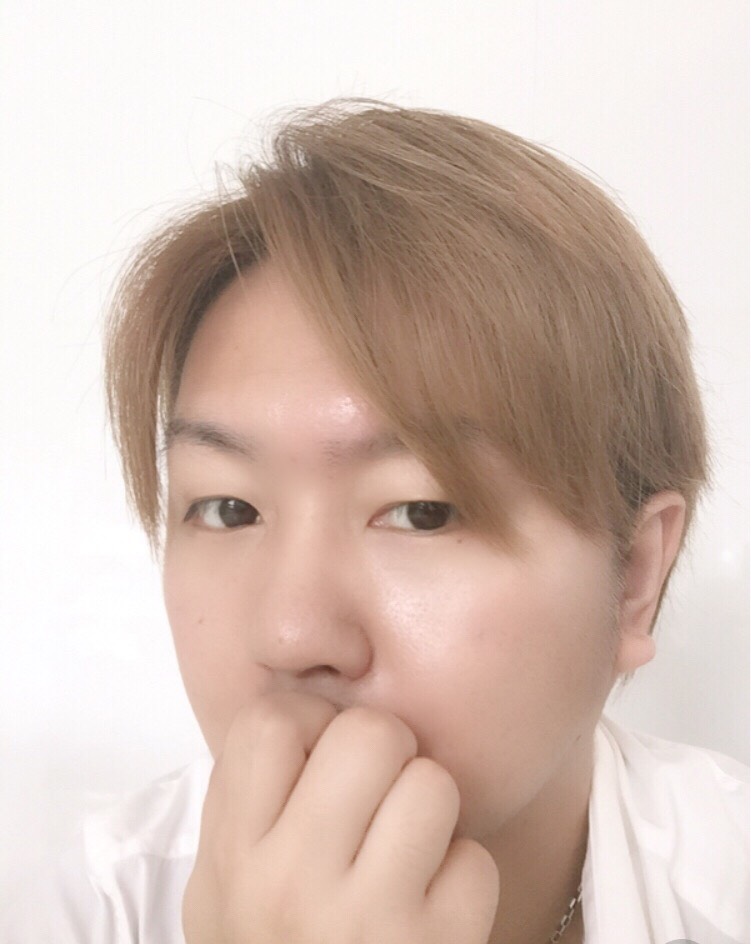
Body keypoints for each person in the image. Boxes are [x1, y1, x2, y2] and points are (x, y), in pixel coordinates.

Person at [3, 97, 747, 944]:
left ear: (634, 580)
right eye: (228, 509)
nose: (290, 636)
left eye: (421, 513)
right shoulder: (81, 914)